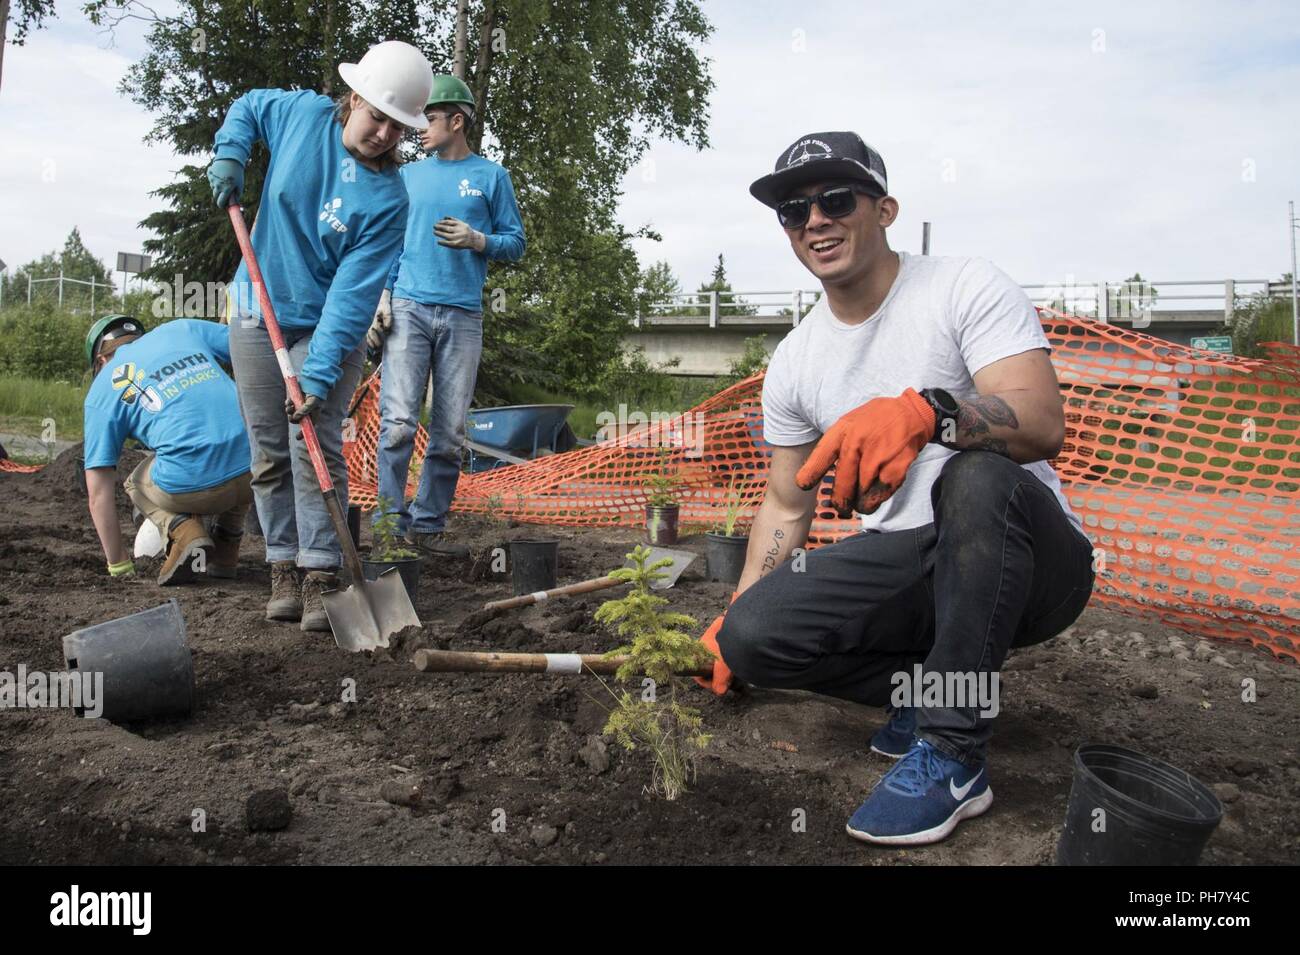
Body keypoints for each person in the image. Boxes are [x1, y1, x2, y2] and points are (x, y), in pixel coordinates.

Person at [697, 132, 1095, 846]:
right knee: (755, 634)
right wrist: (734, 615)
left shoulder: (964, 286)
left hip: (1030, 561)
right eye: (794, 210)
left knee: (975, 475)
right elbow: (788, 504)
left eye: (835, 199)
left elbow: (1041, 422)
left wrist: (929, 412)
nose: (814, 219)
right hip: (908, 565)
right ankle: (935, 685)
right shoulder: (795, 361)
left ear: (884, 209)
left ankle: (952, 754)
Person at [207, 40, 434, 631]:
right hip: (257, 310)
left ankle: (320, 575)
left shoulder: (389, 200)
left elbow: (352, 299)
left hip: (326, 325)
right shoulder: (302, 118)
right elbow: (251, 105)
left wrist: (317, 372)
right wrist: (230, 153)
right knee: (267, 450)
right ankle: (281, 566)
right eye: (377, 116)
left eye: (398, 126)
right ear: (353, 98)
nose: (384, 133)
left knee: (314, 443)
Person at [366, 74, 525, 557]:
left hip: (462, 316)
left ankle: (428, 527)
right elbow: (389, 241)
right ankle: (389, 530)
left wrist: (479, 240)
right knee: (396, 424)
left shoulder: (491, 178)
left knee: (450, 433)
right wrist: (382, 297)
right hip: (409, 309)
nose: (420, 128)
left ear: (457, 121)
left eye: (429, 119)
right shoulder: (408, 176)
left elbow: (515, 243)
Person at [83, 314, 252, 586]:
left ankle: (184, 530)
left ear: (101, 361)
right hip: (261, 470)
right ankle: (226, 552)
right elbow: (251, 343)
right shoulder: (181, 328)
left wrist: (119, 566)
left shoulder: (102, 390)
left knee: (135, 483)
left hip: (195, 487)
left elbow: (98, 494)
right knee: (236, 439)